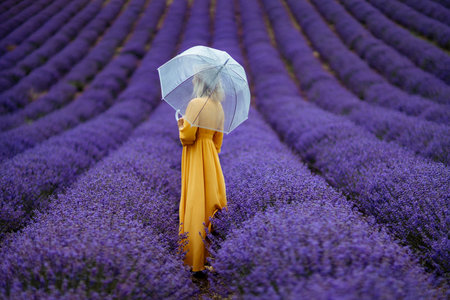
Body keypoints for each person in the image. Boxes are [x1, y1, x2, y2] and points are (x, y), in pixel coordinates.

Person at [177, 68, 227, 274]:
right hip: (212, 159)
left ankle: (193, 260)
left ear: (200, 83)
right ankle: (210, 257)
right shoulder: (219, 107)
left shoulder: (195, 104)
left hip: (196, 156)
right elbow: (218, 143)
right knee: (209, 204)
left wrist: (181, 122)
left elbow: (187, 137)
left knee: (196, 203)